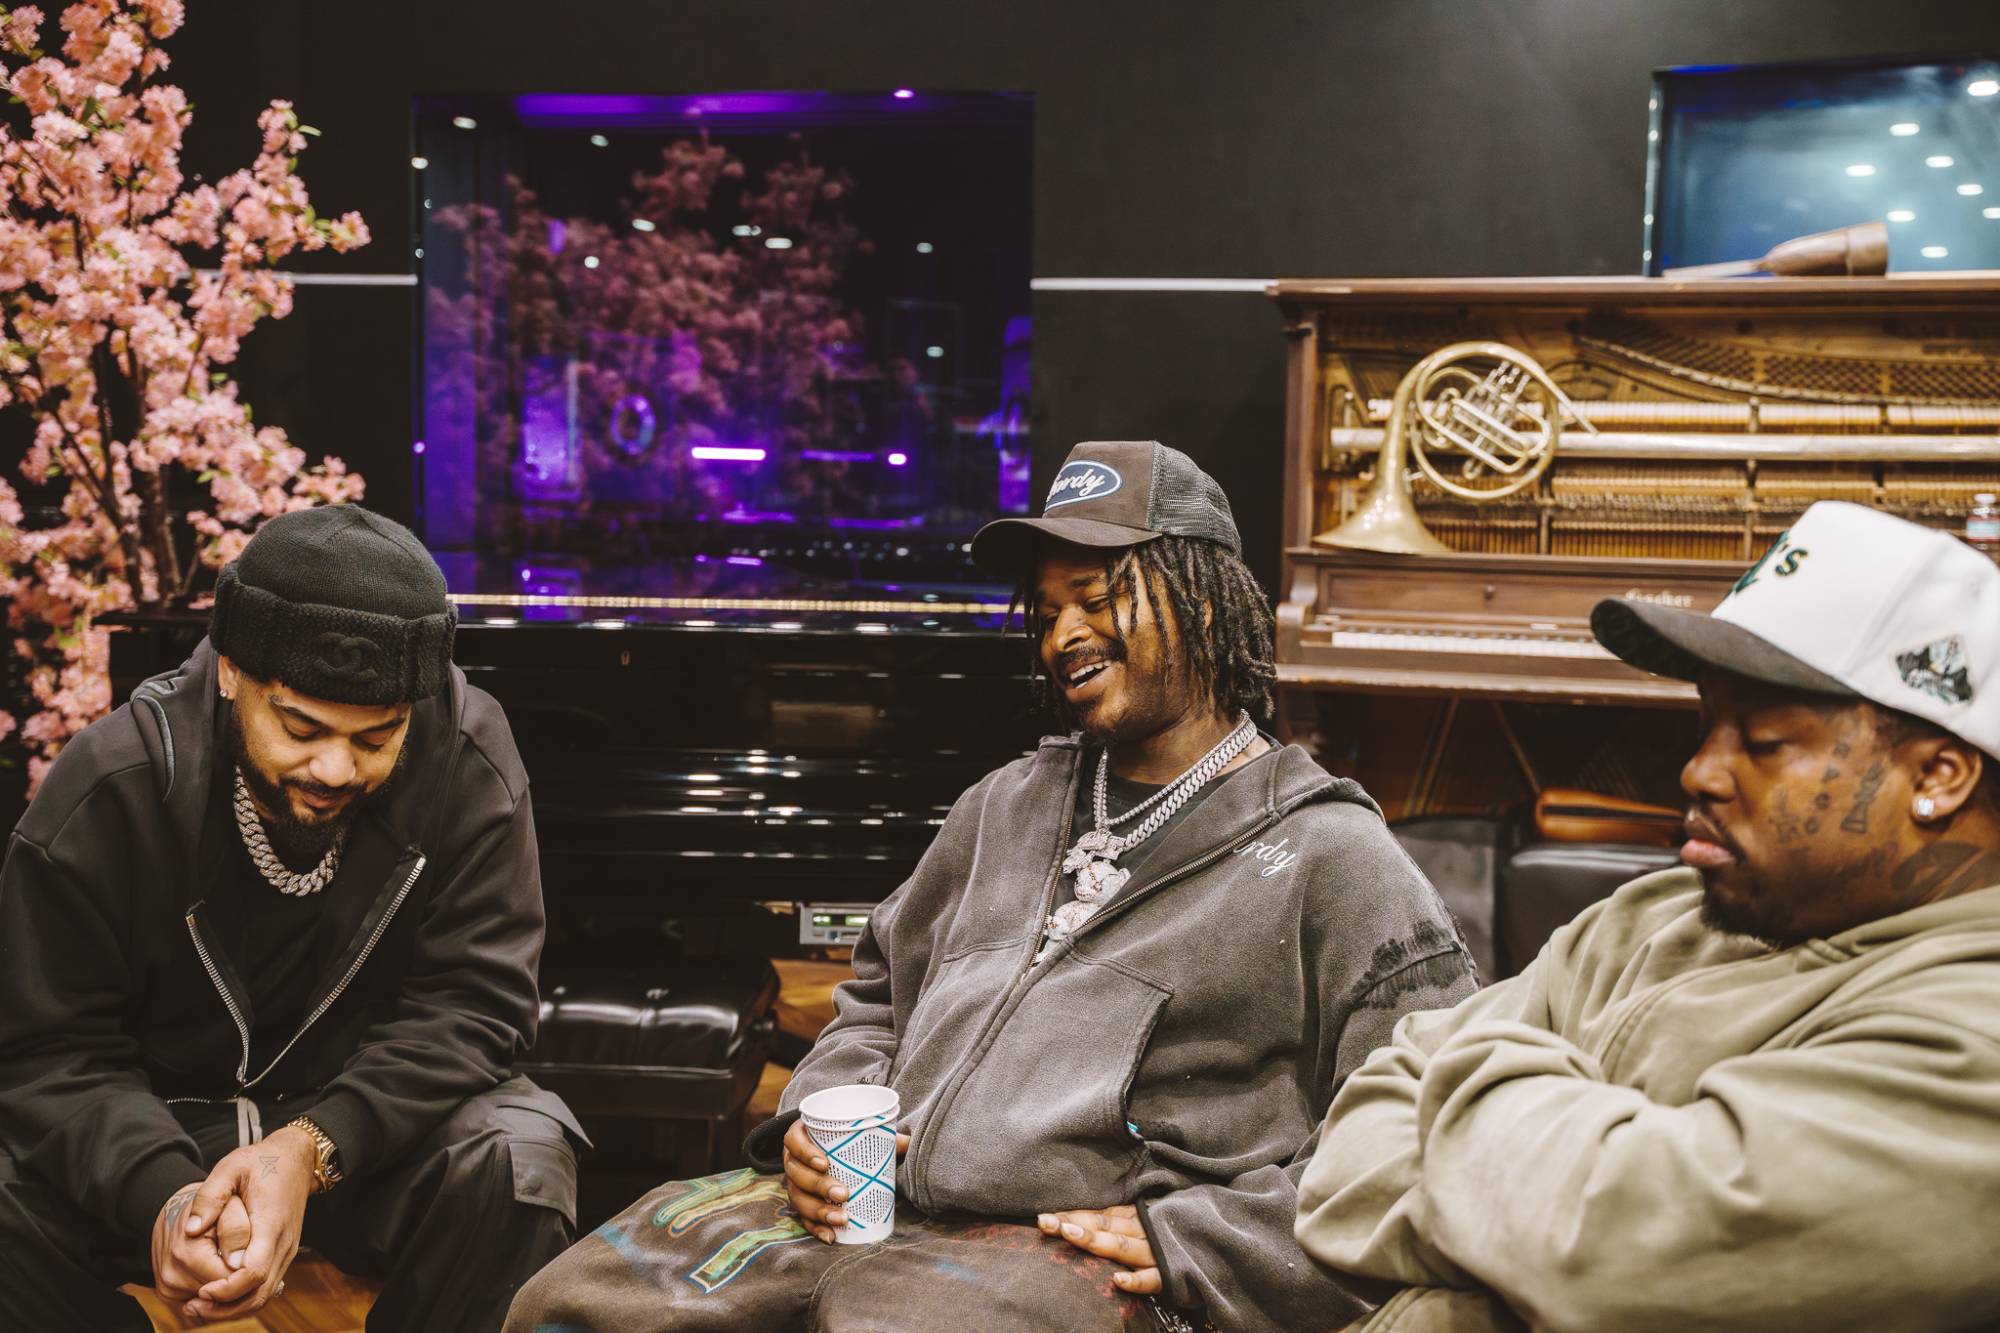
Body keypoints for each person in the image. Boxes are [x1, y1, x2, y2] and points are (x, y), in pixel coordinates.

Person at [507, 440, 1478, 1333]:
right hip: (870, 1214)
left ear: (1209, 602)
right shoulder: (1004, 803)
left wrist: (1210, 1239)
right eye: (1048, 609)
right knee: (570, 1302)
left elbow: (1425, 1121)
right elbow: (874, 996)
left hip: (1058, 1257)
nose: (1063, 634)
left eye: (1096, 596)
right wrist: (814, 1117)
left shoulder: (1327, 853)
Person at [1295, 500, 2000, 1332]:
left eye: (1765, 739)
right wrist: (1526, 1210)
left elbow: (1597, 1252)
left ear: (1940, 774)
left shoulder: (1971, 1032)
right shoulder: (1659, 912)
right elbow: (1340, 1171)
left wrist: (1472, 1093)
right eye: (1706, 724)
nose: (1699, 771)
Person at [0, 505, 582, 1332]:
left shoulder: (467, 760)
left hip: (357, 1128)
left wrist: (311, 1146)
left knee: (518, 1160)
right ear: (232, 671)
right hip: (152, 1123)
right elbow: (50, 1051)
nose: (336, 767)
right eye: (302, 727)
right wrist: (166, 1199)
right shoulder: (112, 782)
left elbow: (474, 1003)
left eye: (377, 737)